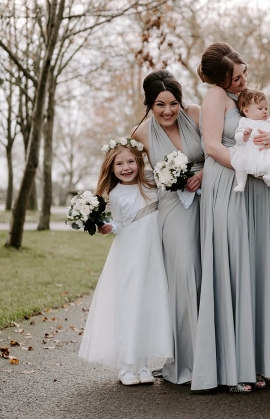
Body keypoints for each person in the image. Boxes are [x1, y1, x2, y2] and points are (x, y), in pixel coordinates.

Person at [193, 42, 270, 393]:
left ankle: (253, 362)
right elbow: (213, 146)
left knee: (254, 266)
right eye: (236, 77)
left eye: (244, 71)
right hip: (231, 184)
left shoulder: (245, 99)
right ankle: (231, 368)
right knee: (232, 267)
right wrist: (253, 165)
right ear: (220, 80)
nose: (243, 80)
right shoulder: (215, 97)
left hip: (258, 190)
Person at [78, 138, 172, 386]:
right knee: (129, 304)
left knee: (147, 305)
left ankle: (142, 364)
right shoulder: (117, 194)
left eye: (130, 161)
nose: (126, 167)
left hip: (153, 253)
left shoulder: (151, 184)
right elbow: (120, 222)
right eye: (119, 163)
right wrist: (109, 227)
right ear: (111, 168)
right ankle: (126, 366)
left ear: (139, 162)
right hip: (130, 253)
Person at [130, 70, 203, 385]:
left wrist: (205, 175)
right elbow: (133, 173)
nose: (168, 111)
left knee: (210, 274)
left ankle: (215, 354)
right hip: (172, 209)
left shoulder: (197, 115)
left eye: (173, 103)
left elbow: (215, 150)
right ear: (149, 103)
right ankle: (187, 359)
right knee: (184, 274)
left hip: (209, 201)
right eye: (160, 104)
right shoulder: (141, 132)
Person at [231, 88, 270, 191]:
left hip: (268, 149)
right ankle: (241, 183)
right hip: (251, 149)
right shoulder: (245, 122)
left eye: (266, 108)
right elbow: (237, 136)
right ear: (246, 111)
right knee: (240, 161)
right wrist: (244, 136)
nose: (264, 111)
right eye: (260, 109)